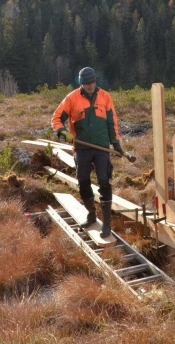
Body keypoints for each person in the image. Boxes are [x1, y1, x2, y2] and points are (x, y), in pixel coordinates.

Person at [52, 67, 124, 237]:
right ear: (81, 83)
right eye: (86, 83)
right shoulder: (71, 98)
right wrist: (63, 132)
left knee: (104, 182)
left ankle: (106, 223)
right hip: (82, 148)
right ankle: (91, 214)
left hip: (101, 148)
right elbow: (56, 119)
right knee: (83, 182)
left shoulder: (105, 97)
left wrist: (116, 143)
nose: (90, 86)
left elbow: (111, 122)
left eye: (92, 82)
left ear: (95, 81)